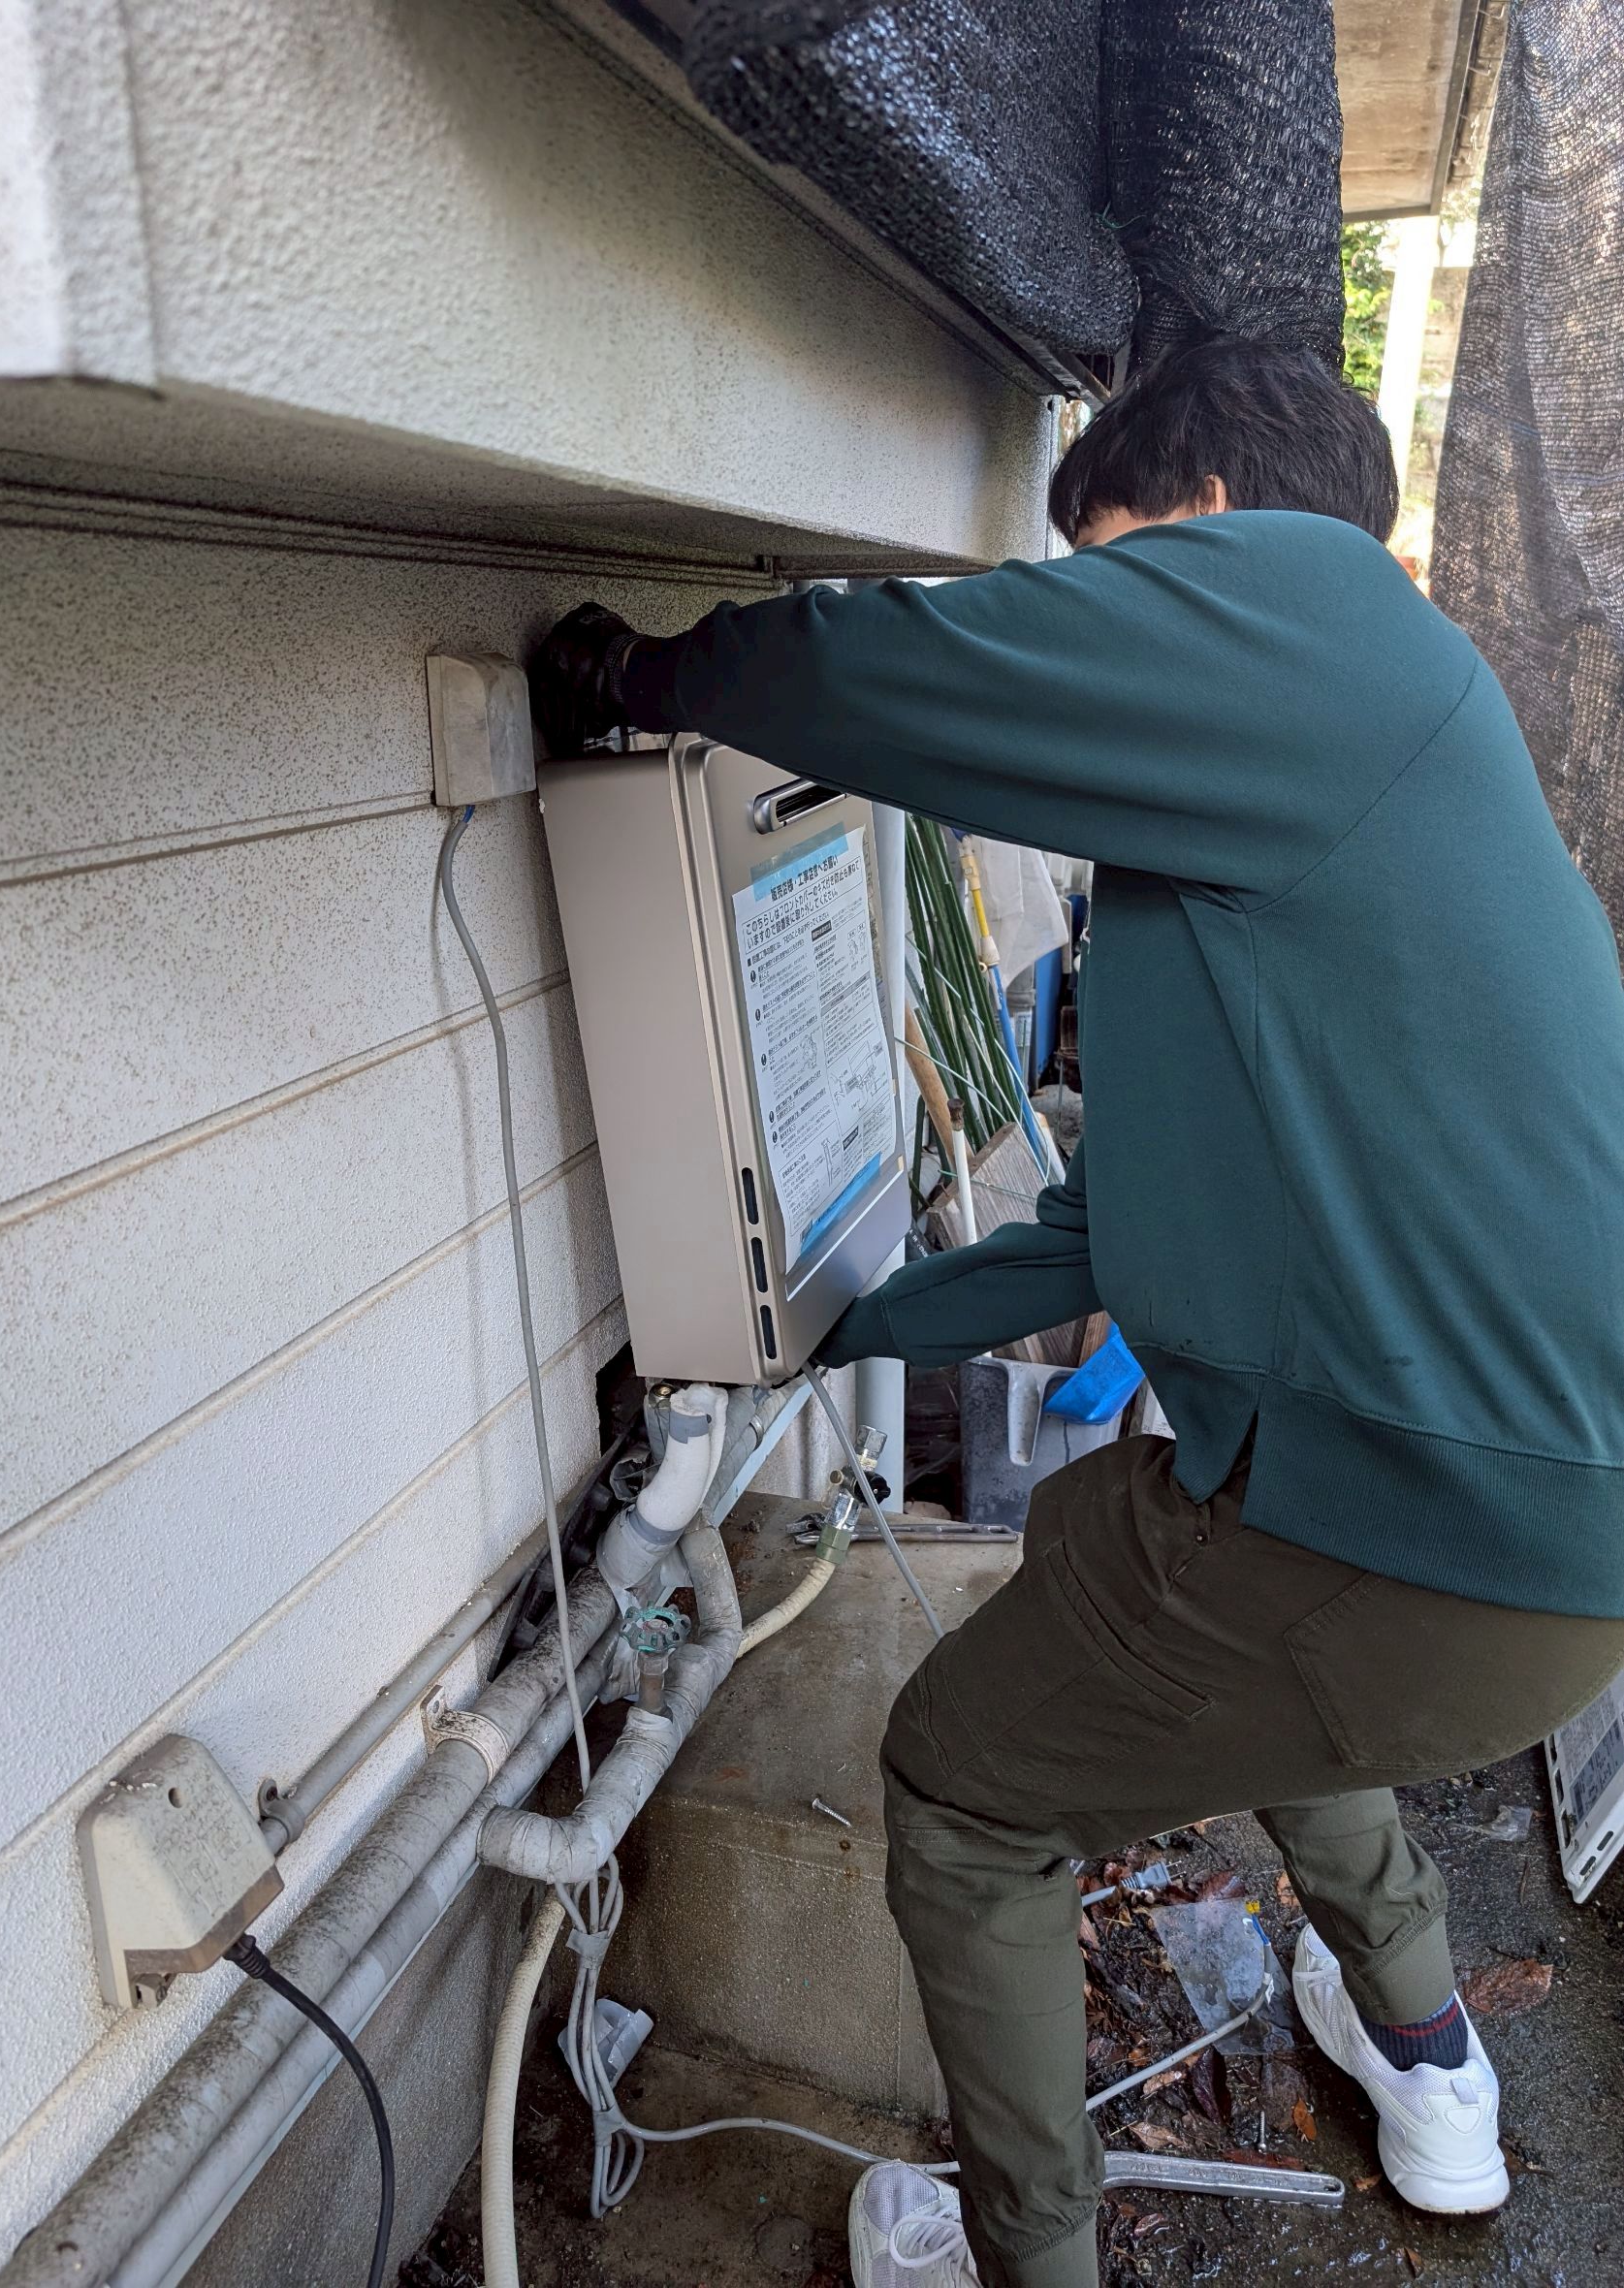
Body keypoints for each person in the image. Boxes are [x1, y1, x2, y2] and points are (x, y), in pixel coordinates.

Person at [527, 333, 1624, 2288]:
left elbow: (889, 668)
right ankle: (1427, 2056)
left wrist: (646, 673)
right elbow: (1108, 1233)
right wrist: (842, 1327)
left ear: (1203, 514)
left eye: (1104, 559)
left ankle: (1023, 2250)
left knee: (965, 1785)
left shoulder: (1316, 612)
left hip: (1443, 1527)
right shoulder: (1358, 774)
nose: (1096, 613)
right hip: (1521, 1535)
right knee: (1212, 1627)